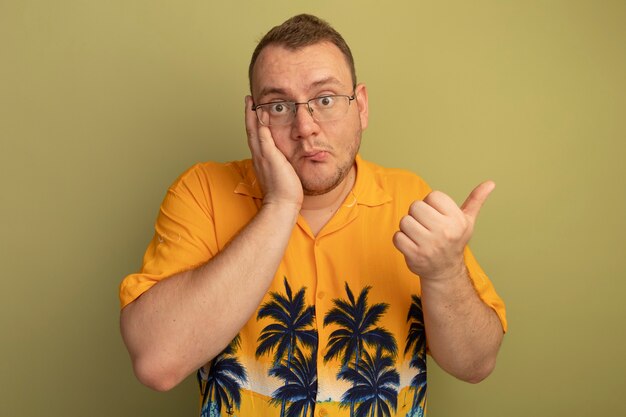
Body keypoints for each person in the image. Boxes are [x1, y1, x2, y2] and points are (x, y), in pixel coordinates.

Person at [119, 14, 506, 417]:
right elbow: (157, 363)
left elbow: (476, 365)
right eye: (280, 106)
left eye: (325, 99)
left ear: (362, 107)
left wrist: (444, 272)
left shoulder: (411, 200)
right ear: (254, 116)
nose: (305, 127)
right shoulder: (202, 192)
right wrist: (281, 205)